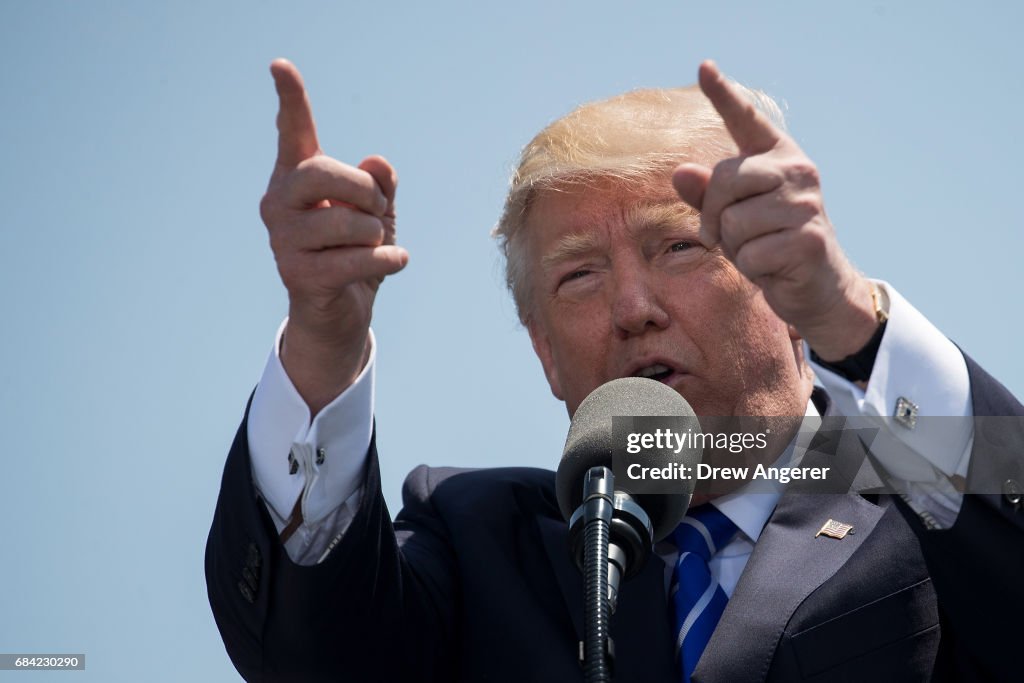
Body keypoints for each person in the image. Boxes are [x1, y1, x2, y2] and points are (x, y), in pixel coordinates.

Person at [206, 59, 1024, 681]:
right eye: (579, 275)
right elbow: (311, 652)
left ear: (781, 289)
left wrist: (849, 315)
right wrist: (325, 336)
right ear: (544, 351)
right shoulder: (480, 535)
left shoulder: (921, 486)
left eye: (678, 246)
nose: (634, 306)